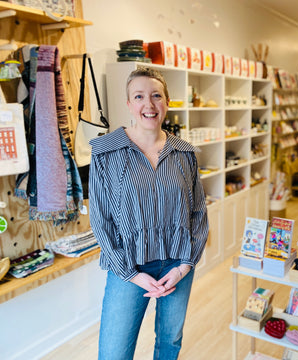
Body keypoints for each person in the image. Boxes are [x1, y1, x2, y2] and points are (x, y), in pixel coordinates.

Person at [89, 67, 209, 360]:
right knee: (114, 352)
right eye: (139, 96)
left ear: (167, 102)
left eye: (157, 96)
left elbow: (198, 215)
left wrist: (184, 266)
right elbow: (100, 219)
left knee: (170, 344)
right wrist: (131, 274)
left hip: (176, 266)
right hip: (128, 269)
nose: (149, 104)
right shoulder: (106, 152)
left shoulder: (184, 154)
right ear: (129, 104)